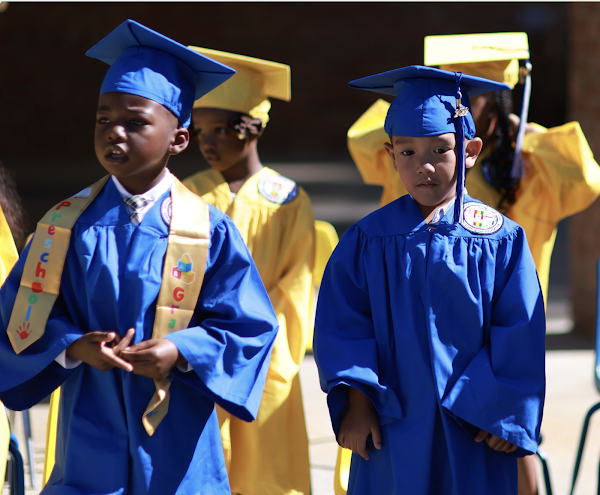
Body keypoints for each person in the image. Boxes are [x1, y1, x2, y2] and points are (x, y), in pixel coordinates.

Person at [0, 19, 279, 495]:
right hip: (90, 418)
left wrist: (181, 351)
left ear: (179, 139)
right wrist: (74, 346)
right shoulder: (65, 225)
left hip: (175, 428)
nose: (115, 132)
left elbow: (248, 326)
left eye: (135, 122)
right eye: (103, 120)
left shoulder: (209, 230)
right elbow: (20, 314)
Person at [314, 65, 546, 494]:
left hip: (474, 422)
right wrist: (358, 403)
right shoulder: (368, 239)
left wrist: (504, 408)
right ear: (390, 155)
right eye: (407, 153)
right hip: (394, 420)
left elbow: (519, 330)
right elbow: (344, 323)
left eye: (440, 150)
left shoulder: (501, 239)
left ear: (470, 150)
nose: (424, 166)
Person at [182, 47, 314, 495]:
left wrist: (254, 350)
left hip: (263, 359)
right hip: (200, 356)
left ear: (254, 127)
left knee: (265, 475)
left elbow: (295, 288)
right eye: (200, 130)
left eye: (221, 129)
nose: (207, 142)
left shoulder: (287, 199)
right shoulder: (186, 195)